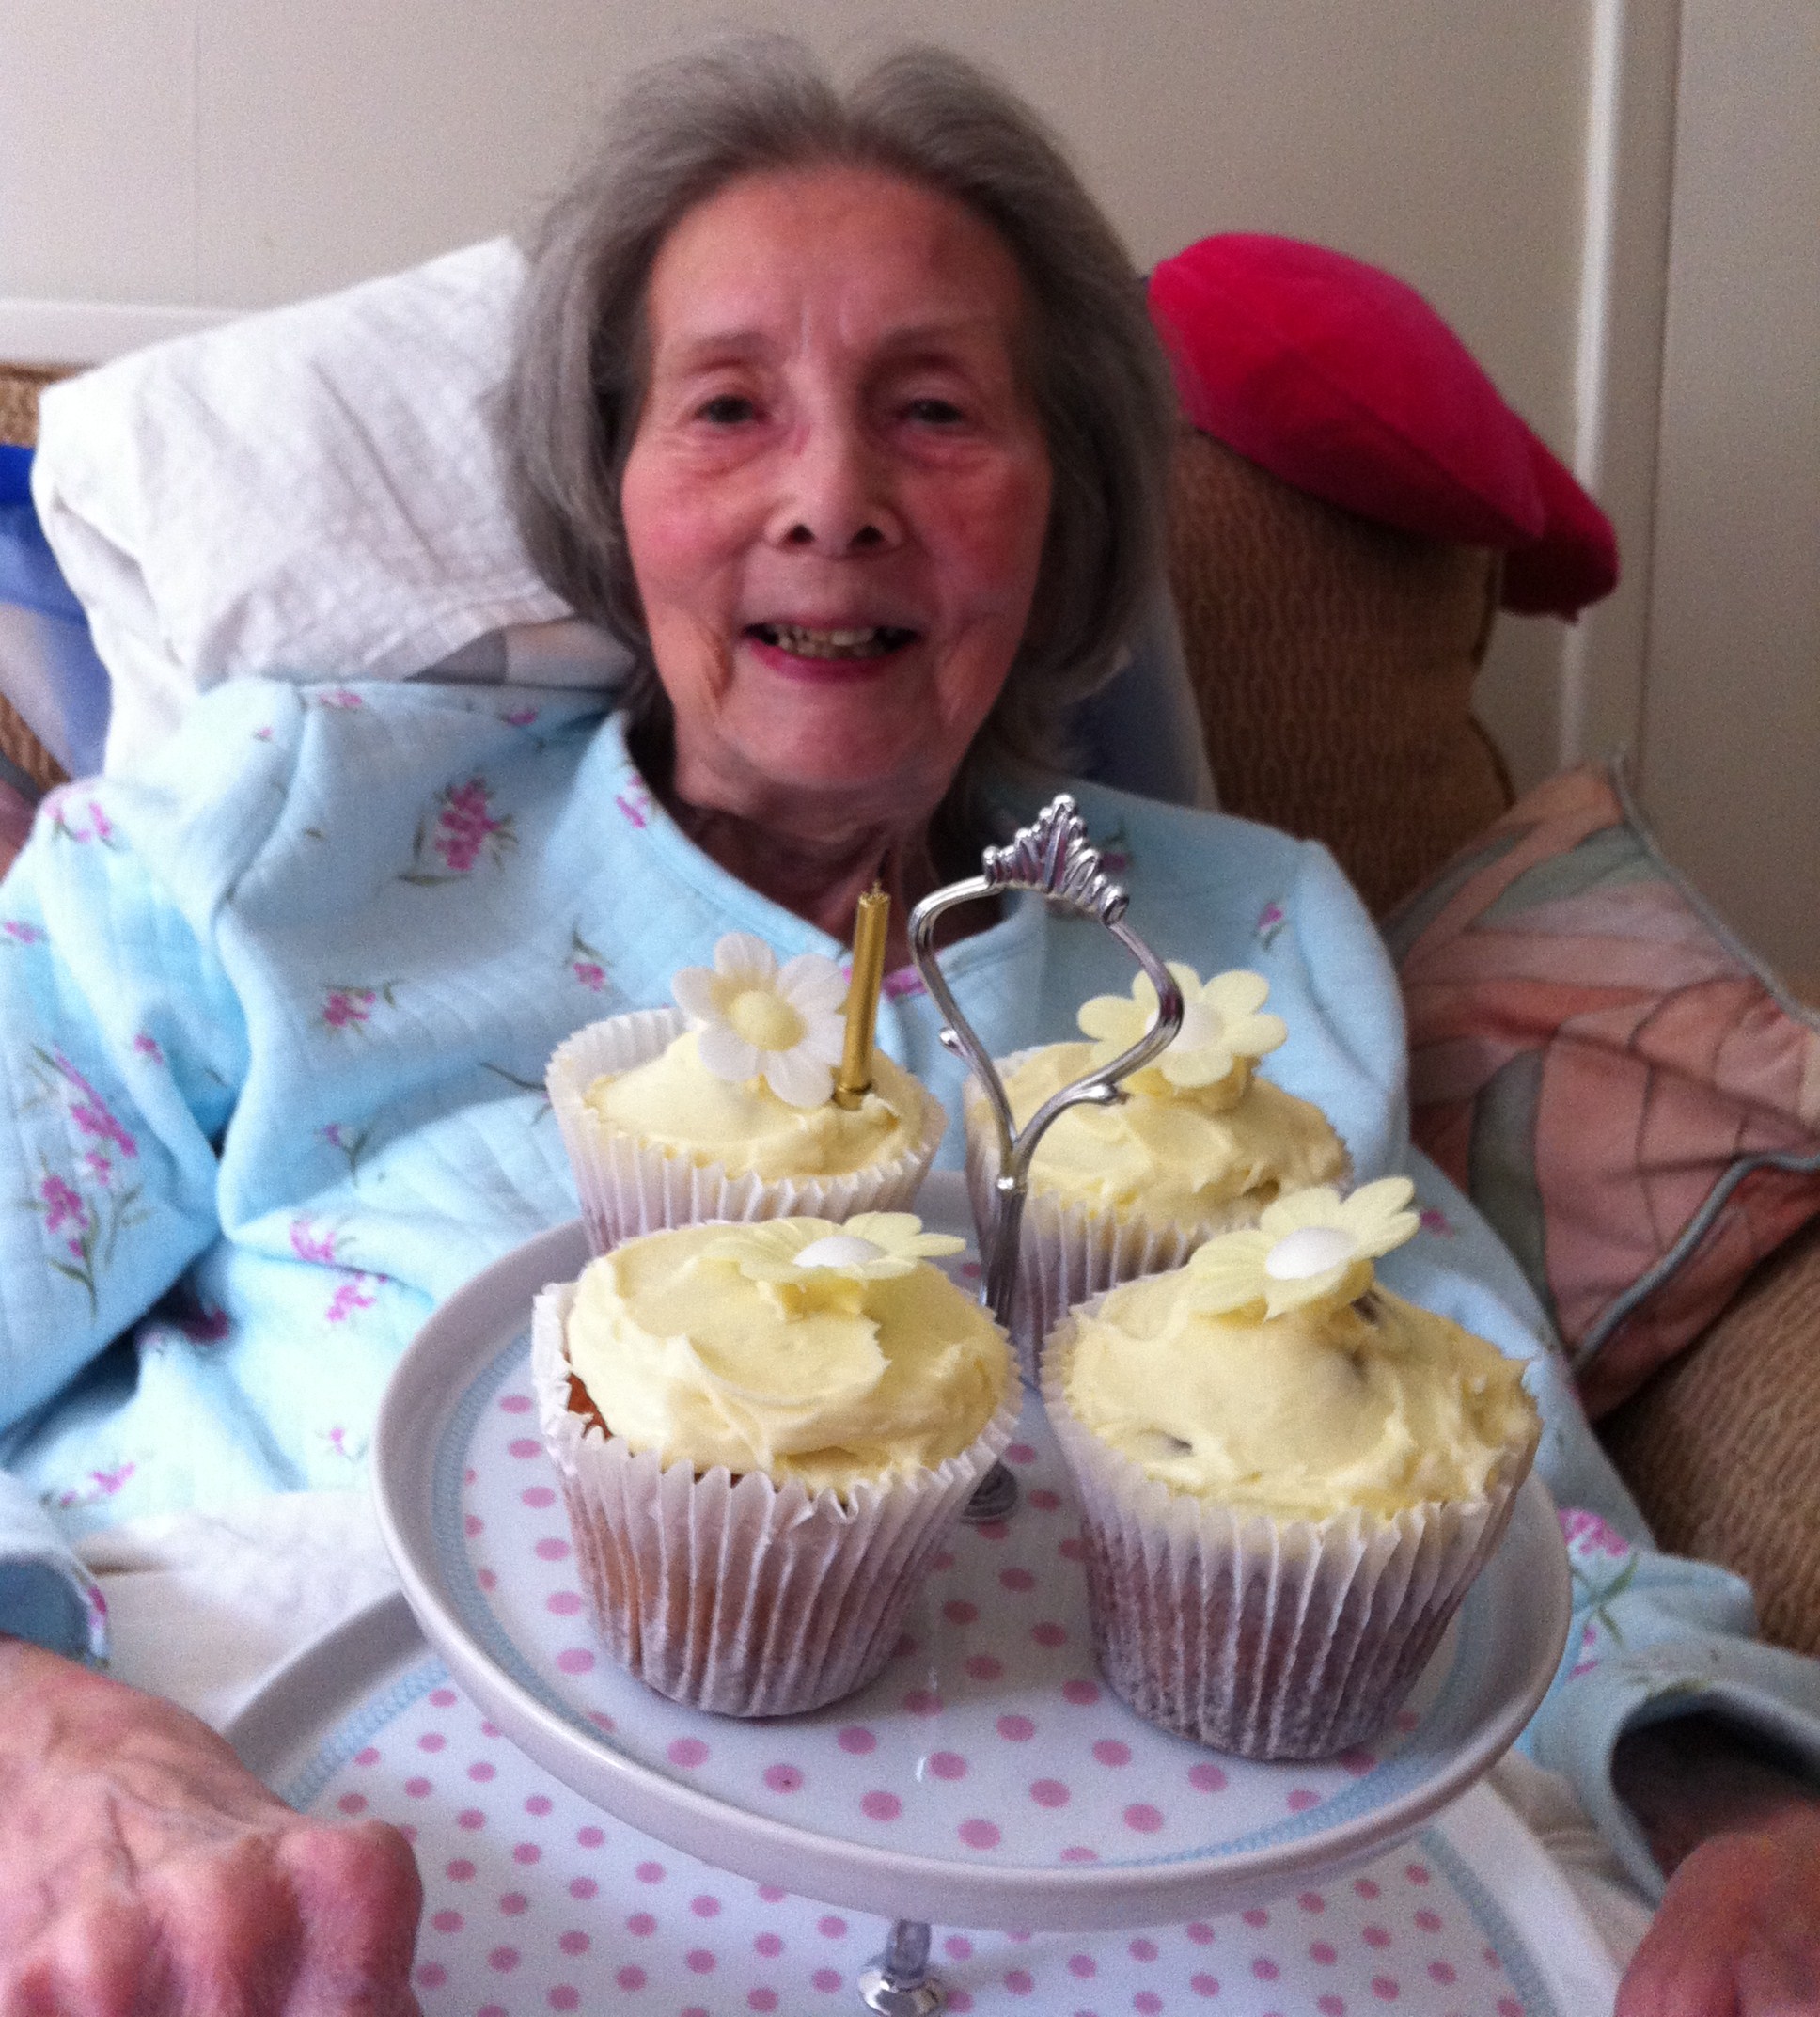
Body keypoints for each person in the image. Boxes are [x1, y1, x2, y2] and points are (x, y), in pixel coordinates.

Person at [1, 35, 1816, 2017]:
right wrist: (55, 1739)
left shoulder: (1223, 938)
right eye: (724, 408)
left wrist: (1730, 1808)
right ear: (611, 494)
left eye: (934, 411)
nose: (832, 498)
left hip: (1116, 1927)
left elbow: (1475, 1478)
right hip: (329, 1871)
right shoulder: (295, 840)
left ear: (1067, 513)